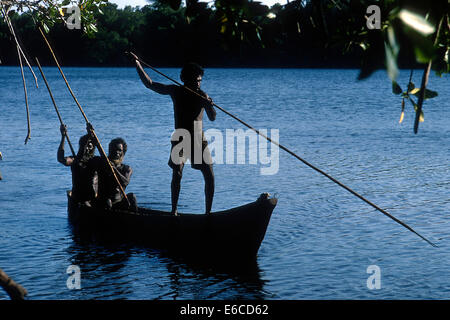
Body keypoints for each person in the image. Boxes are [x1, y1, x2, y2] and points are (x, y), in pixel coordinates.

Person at [130, 53, 216, 215]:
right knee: (177, 172)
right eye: (195, 80)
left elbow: (212, 118)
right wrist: (137, 64)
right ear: (185, 79)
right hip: (181, 137)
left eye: (200, 80)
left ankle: (208, 213)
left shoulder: (202, 96)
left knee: (209, 175)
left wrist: (209, 106)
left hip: (198, 139)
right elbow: (149, 84)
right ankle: (174, 211)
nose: (198, 83)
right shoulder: (176, 91)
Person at [89, 136, 137, 212]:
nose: (117, 152)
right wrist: (94, 143)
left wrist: (114, 169)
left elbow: (125, 182)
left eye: (119, 150)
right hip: (103, 203)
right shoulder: (102, 163)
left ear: (123, 153)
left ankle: (134, 218)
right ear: (110, 150)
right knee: (107, 202)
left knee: (132, 197)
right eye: (114, 149)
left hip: (118, 202)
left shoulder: (126, 169)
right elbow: (89, 158)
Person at [57, 124, 97, 207]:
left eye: (89, 147)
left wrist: (91, 135)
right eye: (84, 146)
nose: (87, 149)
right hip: (79, 198)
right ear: (81, 146)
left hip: (93, 199)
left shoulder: (96, 161)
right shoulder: (75, 160)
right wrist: (63, 136)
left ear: (93, 148)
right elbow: (61, 159)